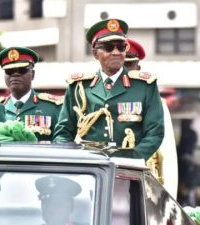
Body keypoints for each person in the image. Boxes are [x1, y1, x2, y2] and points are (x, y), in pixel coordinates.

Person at [53, 19, 164, 161]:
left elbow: (155, 132)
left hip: (129, 169)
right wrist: (74, 161)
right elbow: (63, 132)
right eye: (109, 47)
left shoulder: (144, 86)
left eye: (121, 47)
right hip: (90, 167)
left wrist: (132, 159)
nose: (116, 52)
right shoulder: (79, 87)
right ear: (95, 53)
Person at [124, 38, 178, 199]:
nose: (124, 72)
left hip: (144, 187)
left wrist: (169, 201)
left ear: (138, 68)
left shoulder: (156, 103)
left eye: (129, 66)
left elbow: (166, 158)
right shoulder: (97, 101)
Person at [0, 47, 63, 141]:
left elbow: (62, 143)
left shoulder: (53, 107)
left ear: (33, 74)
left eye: (22, 70)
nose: (15, 74)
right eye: (9, 71)